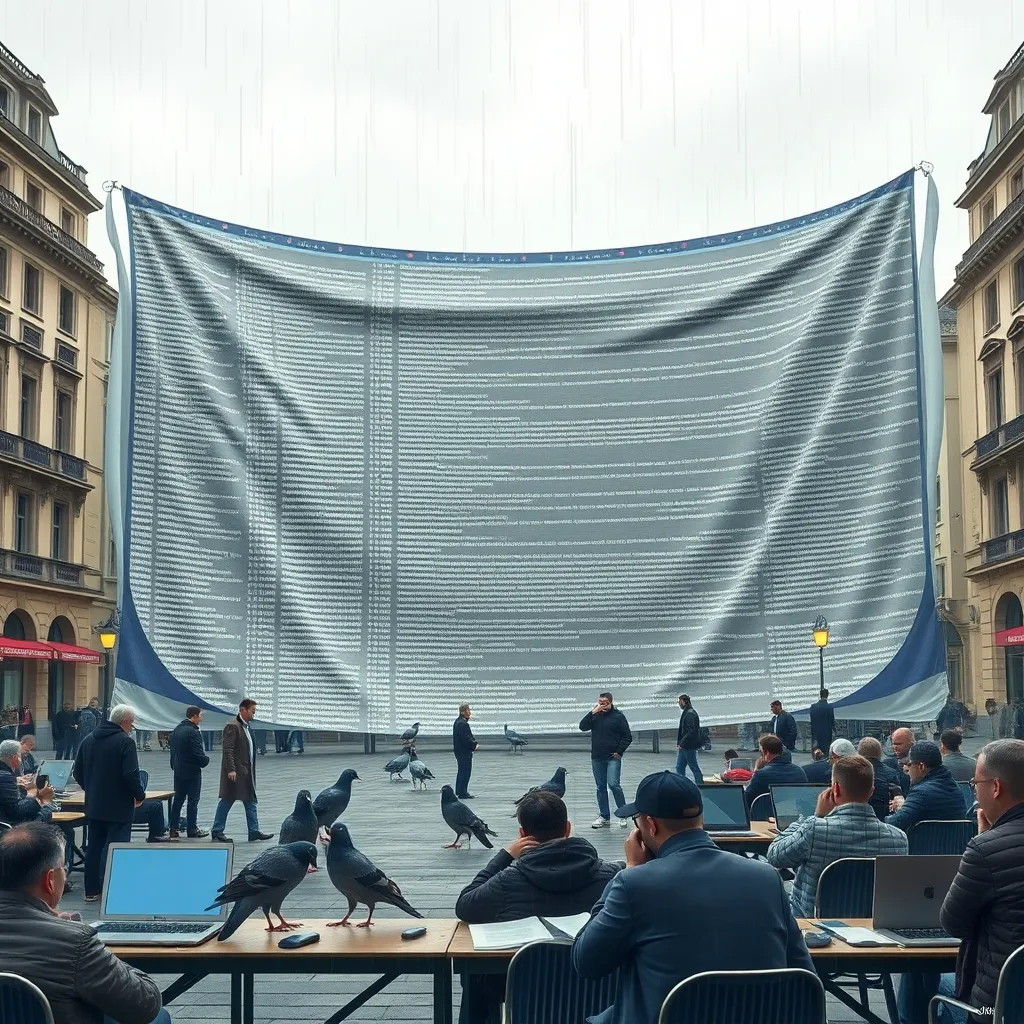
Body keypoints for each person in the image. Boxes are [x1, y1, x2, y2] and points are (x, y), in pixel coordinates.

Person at [572, 772, 814, 1024]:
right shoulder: (767, 878)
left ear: (650, 826)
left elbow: (586, 962)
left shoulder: (634, 884)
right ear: (701, 817)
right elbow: (803, 973)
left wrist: (630, 868)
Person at [455, 791, 621, 1024]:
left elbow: (465, 905)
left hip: (524, 993)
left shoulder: (508, 880)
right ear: (568, 827)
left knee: (474, 974)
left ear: (523, 834)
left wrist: (504, 856)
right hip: (597, 992)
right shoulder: (613, 876)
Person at [897, 739, 1024, 1024]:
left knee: (920, 976)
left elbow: (953, 923)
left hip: (997, 1011)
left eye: (975, 784)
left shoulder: (985, 850)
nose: (975, 793)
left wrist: (983, 839)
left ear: (995, 787)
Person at [0, 821, 169, 1024]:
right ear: (50, 880)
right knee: (159, 1017)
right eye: (64, 867)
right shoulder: (73, 941)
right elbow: (146, 1004)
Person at [766, 754, 909, 917]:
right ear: (871, 792)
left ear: (835, 788)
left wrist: (815, 816)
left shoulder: (815, 829)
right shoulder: (899, 839)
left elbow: (774, 856)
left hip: (814, 925)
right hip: (872, 925)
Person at [73, 704, 148, 900]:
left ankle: (92, 890)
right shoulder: (125, 742)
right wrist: (139, 795)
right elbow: (131, 774)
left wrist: (91, 789)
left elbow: (77, 772)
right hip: (119, 805)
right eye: (131, 723)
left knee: (94, 846)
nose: (132, 727)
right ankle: (114, 889)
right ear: (124, 722)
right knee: (118, 847)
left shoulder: (89, 739)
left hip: (95, 804)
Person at [211, 698, 273, 843]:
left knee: (250, 800)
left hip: (246, 772)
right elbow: (228, 750)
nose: (253, 715)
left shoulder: (246, 726)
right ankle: (217, 830)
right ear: (242, 710)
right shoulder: (233, 726)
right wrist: (231, 769)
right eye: (252, 711)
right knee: (227, 799)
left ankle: (254, 831)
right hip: (236, 773)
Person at [886, 740, 967, 834]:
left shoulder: (921, 793)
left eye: (910, 764)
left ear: (921, 766)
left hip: (923, 847)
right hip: (956, 846)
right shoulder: (955, 787)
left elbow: (894, 823)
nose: (907, 770)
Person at [580, 692, 633, 828]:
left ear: (611, 702)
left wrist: (619, 751)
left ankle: (623, 814)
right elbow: (582, 726)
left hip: (612, 757)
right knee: (600, 787)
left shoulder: (618, 716)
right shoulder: (595, 715)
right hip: (597, 757)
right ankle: (604, 816)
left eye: (605, 702)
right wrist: (593, 712)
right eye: (600, 702)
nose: (602, 705)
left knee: (614, 784)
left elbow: (627, 736)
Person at [168, 706, 210, 839]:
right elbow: (197, 752)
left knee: (178, 800)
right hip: (192, 771)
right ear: (194, 716)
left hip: (178, 770)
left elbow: (173, 751)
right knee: (193, 801)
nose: (201, 719)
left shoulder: (177, 730)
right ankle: (192, 828)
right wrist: (205, 760)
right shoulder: (193, 732)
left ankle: (173, 828)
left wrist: (174, 765)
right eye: (200, 716)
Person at [744, 733, 807, 810]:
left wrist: (756, 770)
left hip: (767, 816)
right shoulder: (799, 772)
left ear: (765, 752)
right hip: (796, 815)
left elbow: (747, 800)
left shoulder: (761, 775)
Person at [0, 738, 53, 824]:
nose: (22, 761)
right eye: (20, 757)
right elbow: (17, 812)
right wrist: (38, 796)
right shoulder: (5, 777)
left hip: (6, 821)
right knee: (47, 811)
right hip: (10, 828)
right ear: (14, 758)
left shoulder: (5, 775)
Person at [857, 736, 905, 821]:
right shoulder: (891, 773)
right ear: (880, 753)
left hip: (857, 819)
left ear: (859, 753)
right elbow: (898, 802)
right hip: (882, 820)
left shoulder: (852, 772)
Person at [674, 694, 703, 783]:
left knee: (693, 766)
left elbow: (691, 731)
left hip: (688, 745)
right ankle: (682, 784)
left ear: (683, 701)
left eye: (679, 702)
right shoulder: (688, 712)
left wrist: (681, 744)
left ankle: (700, 784)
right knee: (680, 767)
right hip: (685, 745)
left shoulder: (690, 713)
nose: (679, 704)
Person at [453, 703, 478, 800]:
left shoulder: (458, 722)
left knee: (461, 770)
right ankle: (463, 792)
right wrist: (474, 745)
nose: (470, 713)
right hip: (464, 752)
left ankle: (459, 790)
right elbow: (466, 739)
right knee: (465, 771)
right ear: (463, 712)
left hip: (459, 751)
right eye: (468, 710)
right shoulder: (463, 724)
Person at [884, 726, 915, 795]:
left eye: (899, 744)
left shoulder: (920, 762)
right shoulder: (888, 763)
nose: (895, 747)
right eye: (893, 744)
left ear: (911, 743)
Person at [809, 688, 836, 756]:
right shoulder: (829, 707)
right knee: (826, 751)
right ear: (827, 696)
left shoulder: (813, 707)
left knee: (816, 750)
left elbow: (811, 720)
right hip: (826, 733)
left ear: (820, 695)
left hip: (816, 733)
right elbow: (832, 721)